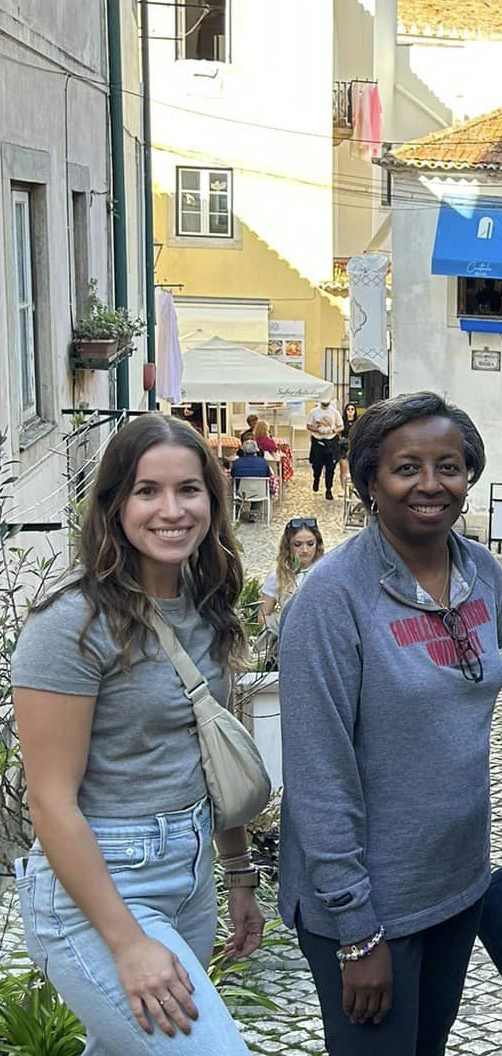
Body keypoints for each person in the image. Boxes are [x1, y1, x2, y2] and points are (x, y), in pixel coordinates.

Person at [12, 414, 264, 1054]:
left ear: (213, 497)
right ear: (114, 505)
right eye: (147, 491)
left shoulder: (208, 607)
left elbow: (213, 755)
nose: (171, 510)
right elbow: (50, 801)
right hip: (96, 892)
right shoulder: (72, 623)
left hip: (190, 874)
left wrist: (237, 877)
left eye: (189, 490)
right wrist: (125, 942)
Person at [279, 391, 502, 1055]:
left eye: (450, 466)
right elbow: (317, 771)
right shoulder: (330, 598)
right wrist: (356, 930)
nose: (431, 484)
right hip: (370, 908)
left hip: (456, 888)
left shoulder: (483, 574)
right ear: (369, 480)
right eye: (407, 468)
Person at [256, 518, 325, 663]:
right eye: (298, 544)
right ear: (288, 546)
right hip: (288, 651)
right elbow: (263, 616)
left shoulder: (327, 572)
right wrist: (284, 627)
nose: (305, 550)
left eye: (310, 544)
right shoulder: (276, 577)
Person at [307, 397, 342, 499]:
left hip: (331, 441)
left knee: (330, 467)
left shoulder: (335, 412)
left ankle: (329, 489)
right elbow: (309, 425)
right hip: (318, 442)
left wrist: (334, 430)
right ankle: (316, 478)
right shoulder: (314, 412)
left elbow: (341, 426)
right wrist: (317, 431)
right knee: (316, 465)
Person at [338, 401, 360, 495]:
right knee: (343, 469)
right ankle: (343, 488)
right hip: (343, 447)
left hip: (354, 446)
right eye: (348, 409)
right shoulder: (342, 421)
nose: (350, 411)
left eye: (352, 409)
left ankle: (354, 487)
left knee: (354, 468)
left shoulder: (358, 422)